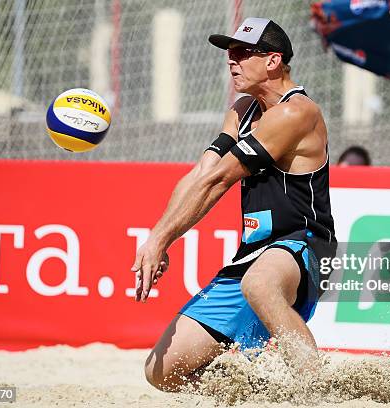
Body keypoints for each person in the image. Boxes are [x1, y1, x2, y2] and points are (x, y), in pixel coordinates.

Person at [132, 17, 336, 391]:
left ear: (273, 61)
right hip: (253, 253)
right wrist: (155, 236)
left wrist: (163, 240)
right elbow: (200, 173)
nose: (232, 61)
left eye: (242, 53)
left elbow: (219, 180)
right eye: (229, 53)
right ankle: (259, 395)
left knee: (259, 285)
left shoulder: (297, 112)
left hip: (303, 243)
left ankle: (319, 392)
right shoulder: (243, 109)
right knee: (161, 373)